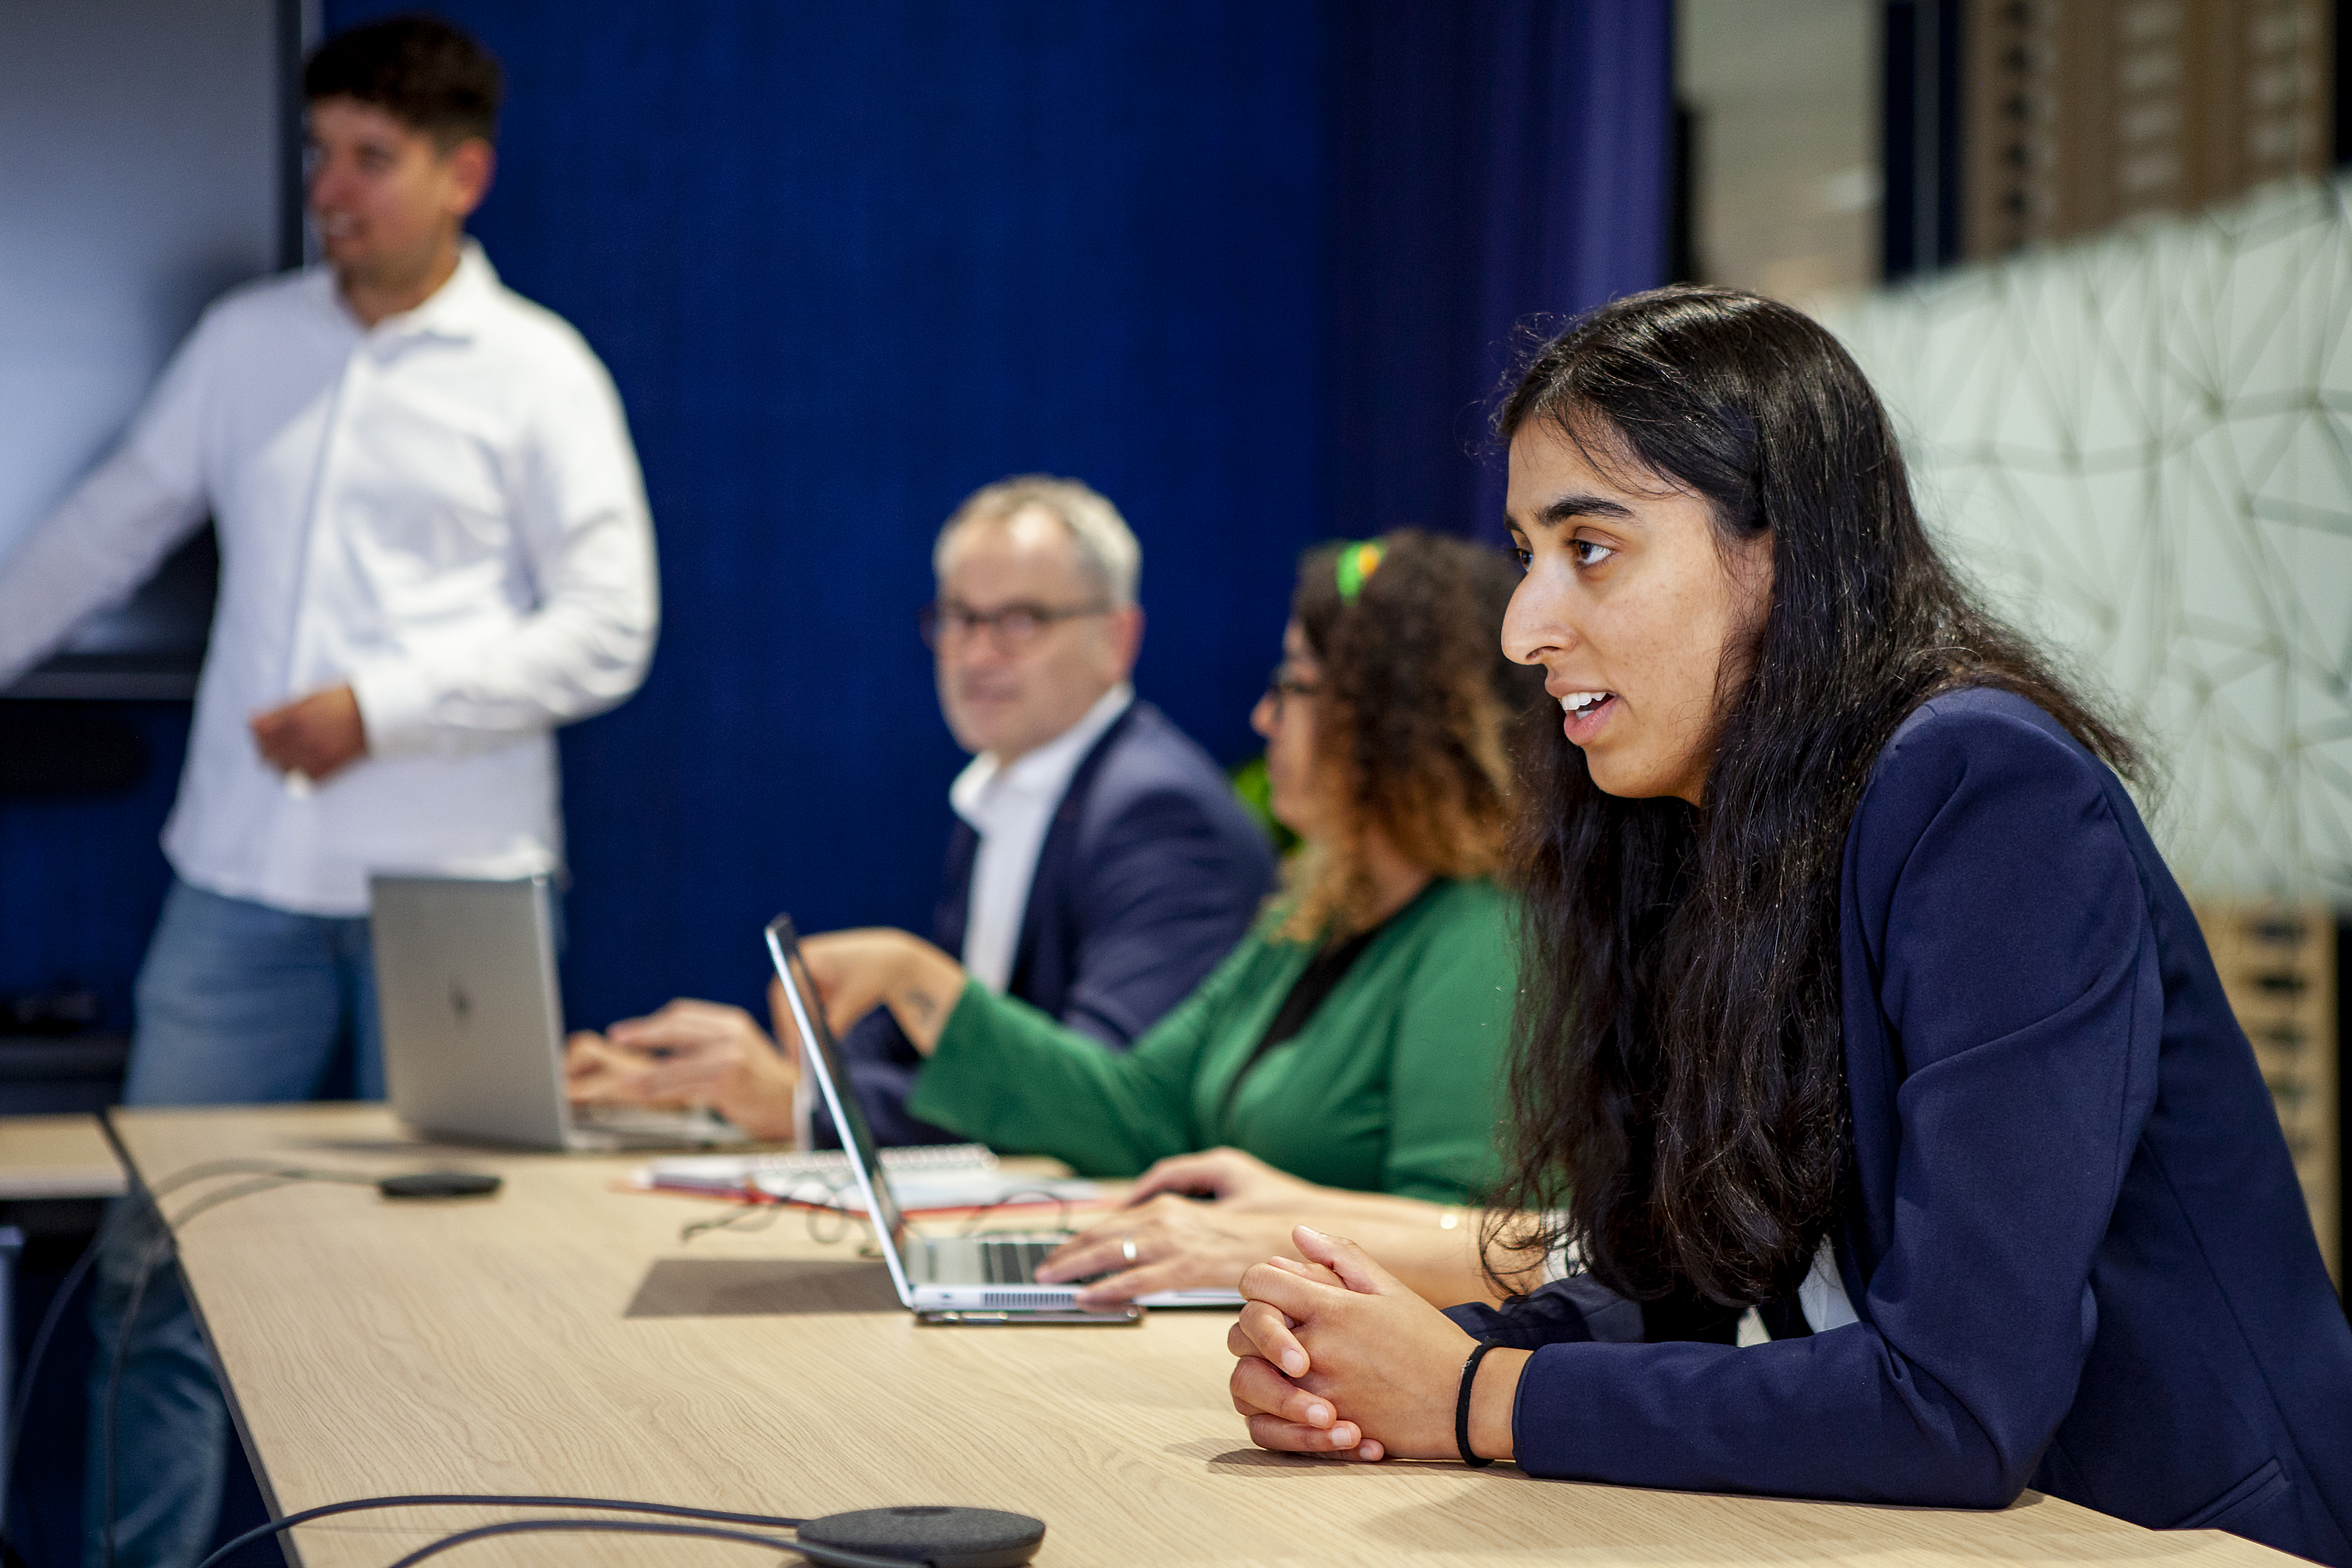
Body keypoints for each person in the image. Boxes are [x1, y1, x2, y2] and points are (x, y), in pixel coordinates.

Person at [1222, 287, 2352, 1568]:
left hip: (2187, 1542)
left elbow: (1958, 1401)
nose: (1523, 628)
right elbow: (1685, 1294)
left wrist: (1478, 1401)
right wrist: (1391, 1361)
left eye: (1589, 547)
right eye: (1528, 552)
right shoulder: (1696, 816)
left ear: (1781, 552)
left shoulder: (1986, 790)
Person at [0, 18, 660, 1567]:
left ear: (463, 176)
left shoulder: (540, 370)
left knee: (471, 1282)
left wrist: (384, 710)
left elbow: (612, 626)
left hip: (458, 894)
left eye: (372, 158)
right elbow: (105, 530)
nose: (330, 190)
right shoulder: (249, 343)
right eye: (320, 154)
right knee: (154, 1270)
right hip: (238, 879)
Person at [696, 531, 1536, 1243]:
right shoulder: (1313, 917)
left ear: (1392, 721)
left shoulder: (1480, 933)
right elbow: (1133, 1112)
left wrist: (1250, 1234)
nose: (1263, 718)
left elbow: (1473, 1242)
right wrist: (913, 979)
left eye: (1292, 685)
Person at [565, 475, 1274, 1144]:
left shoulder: (1159, 815)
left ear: (1117, 639)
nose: (976, 654)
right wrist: (705, 1084)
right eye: (959, 618)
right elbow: (928, 1046)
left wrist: (804, 1104)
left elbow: (1092, 1104)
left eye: (1020, 621)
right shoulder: (1002, 787)